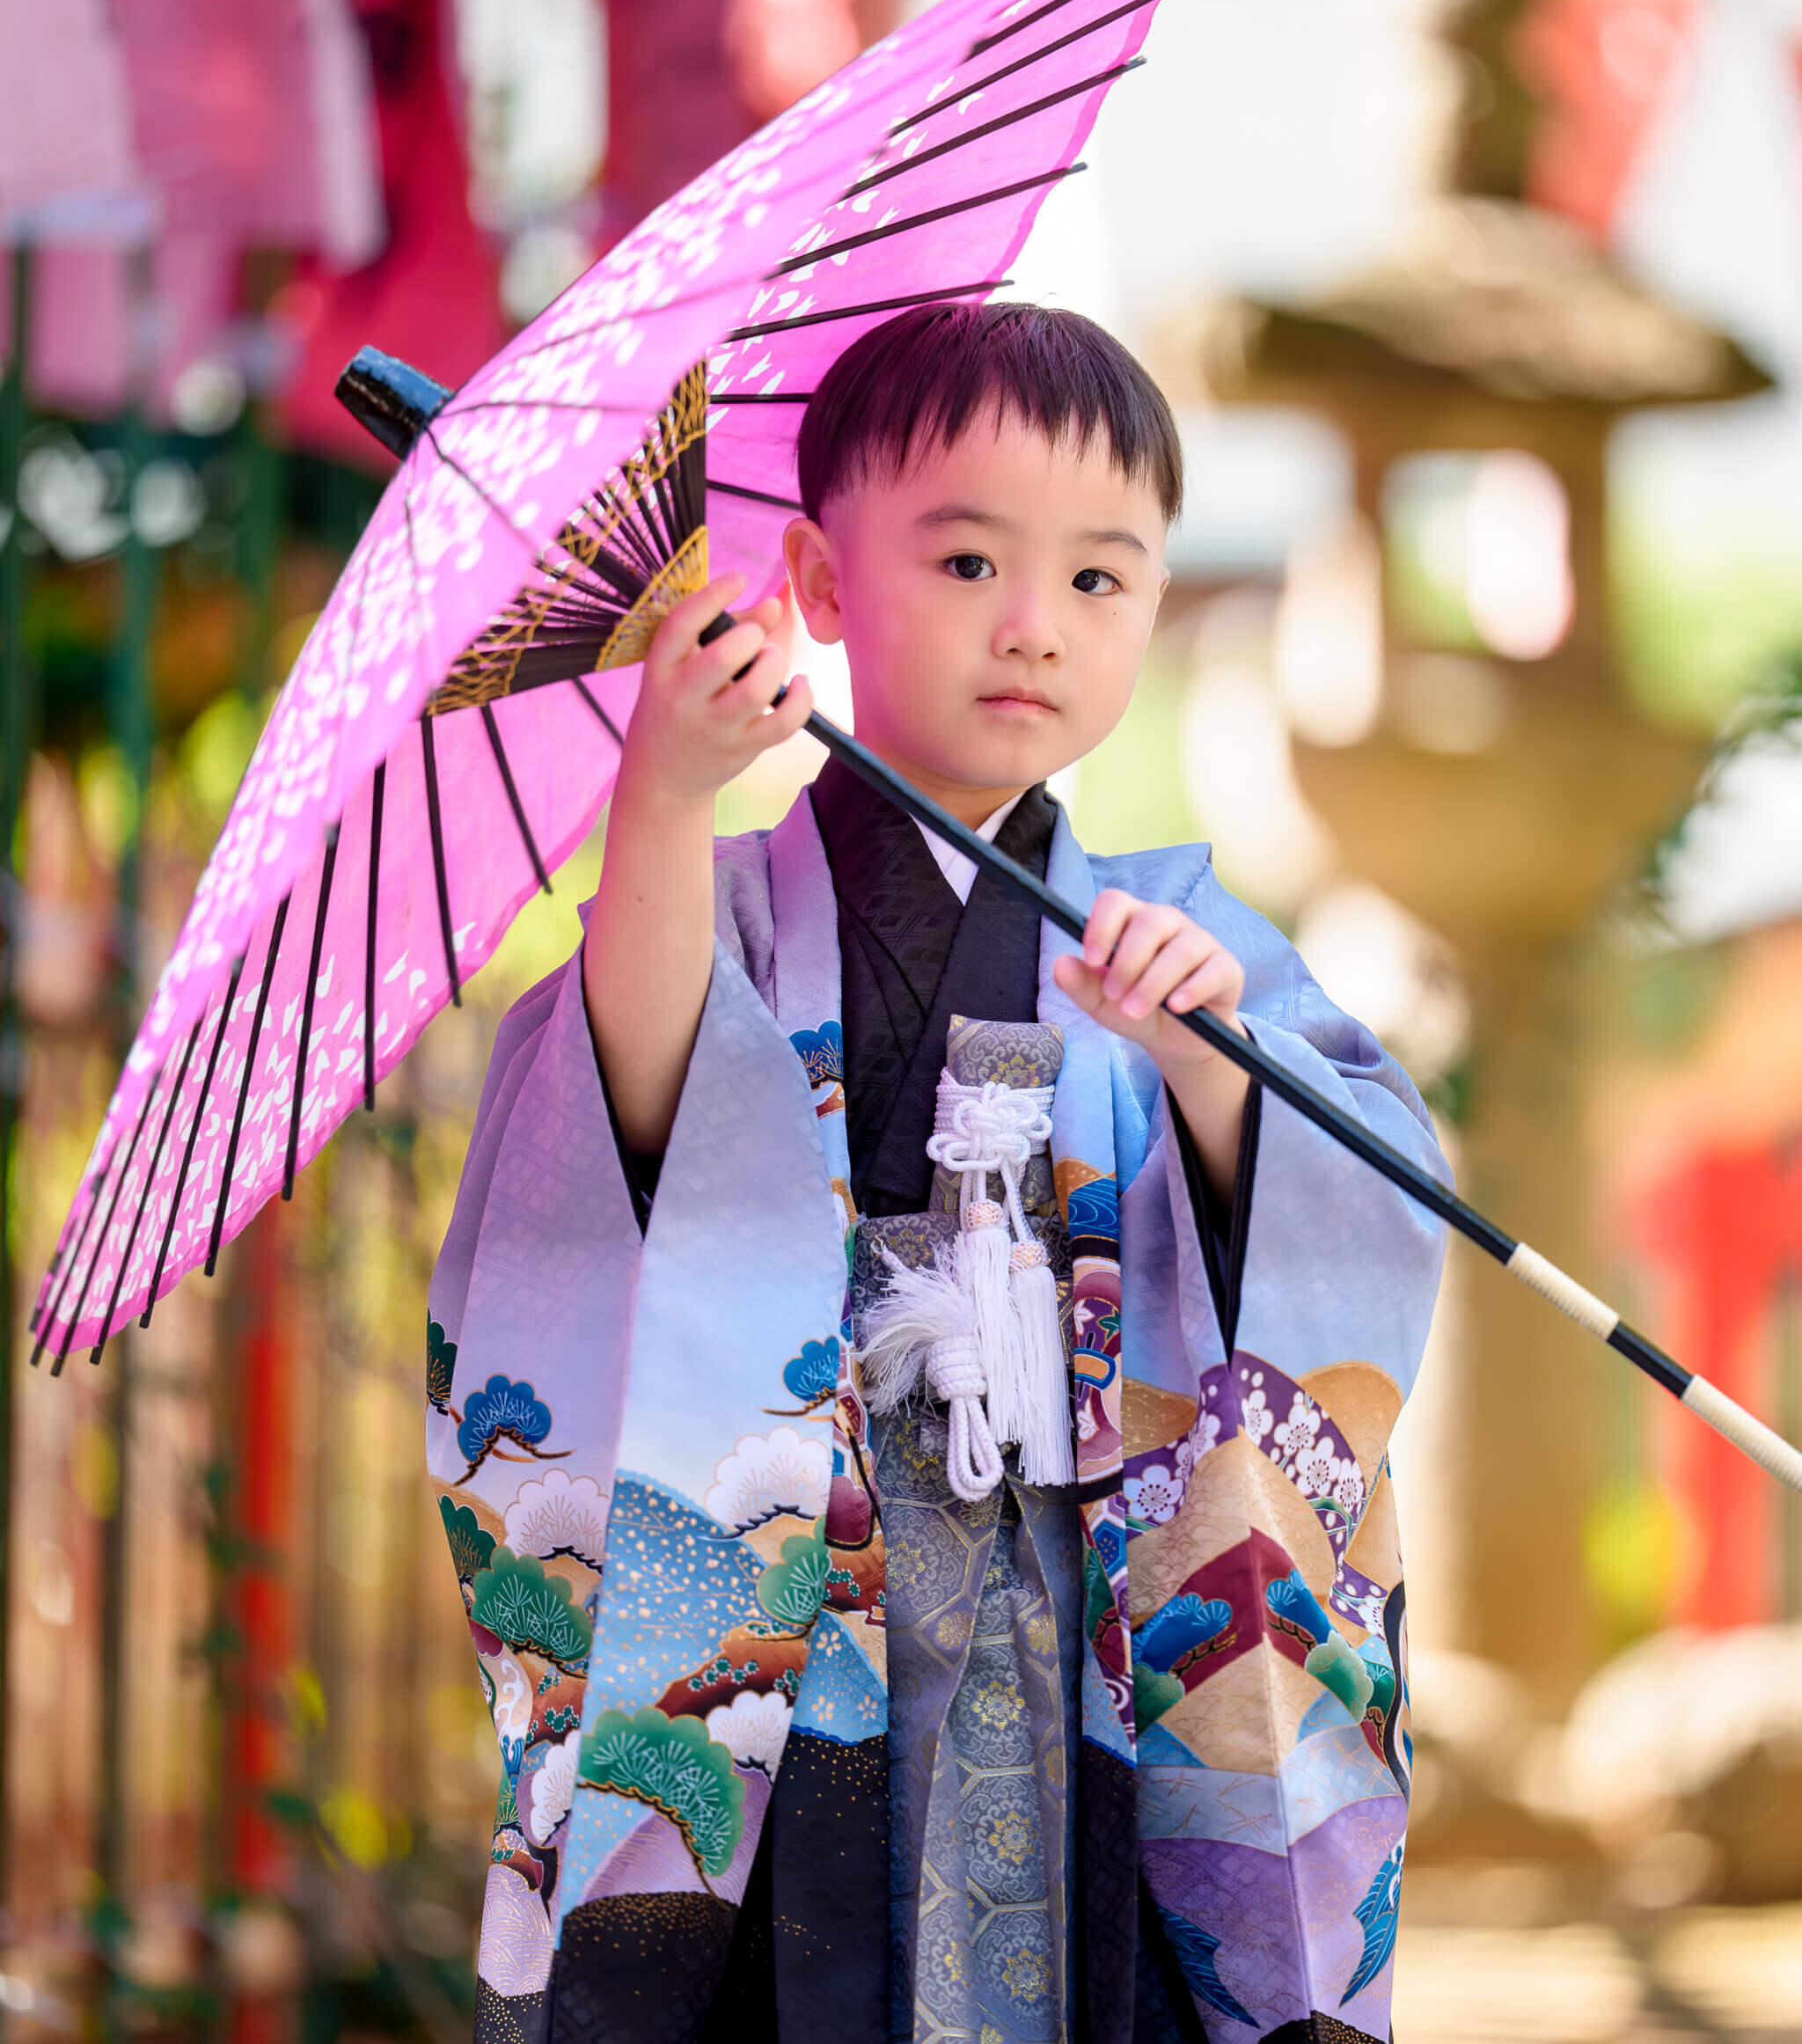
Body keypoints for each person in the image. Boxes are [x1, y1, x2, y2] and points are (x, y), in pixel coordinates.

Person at [427, 304, 1447, 2044]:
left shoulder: (1185, 929)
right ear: (819, 580)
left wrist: (1206, 1060)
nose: (1034, 625)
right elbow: (637, 1120)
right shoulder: (736, 895)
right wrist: (664, 802)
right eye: (968, 556)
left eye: (1102, 578)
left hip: (1087, 1586)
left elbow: (1348, 1213)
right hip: (808, 1581)